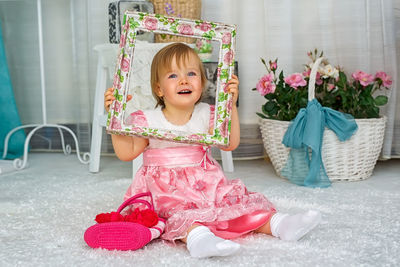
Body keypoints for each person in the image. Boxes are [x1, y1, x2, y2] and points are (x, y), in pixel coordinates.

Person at [103, 43, 321, 258]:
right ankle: (199, 239)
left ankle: (278, 223)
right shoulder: (148, 119)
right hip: (165, 190)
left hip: (205, 182)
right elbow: (126, 153)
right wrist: (114, 118)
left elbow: (230, 143)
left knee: (234, 204)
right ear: (159, 89)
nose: (183, 80)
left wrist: (231, 106)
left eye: (191, 73)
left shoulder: (207, 114)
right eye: (172, 76)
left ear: (202, 83)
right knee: (178, 215)